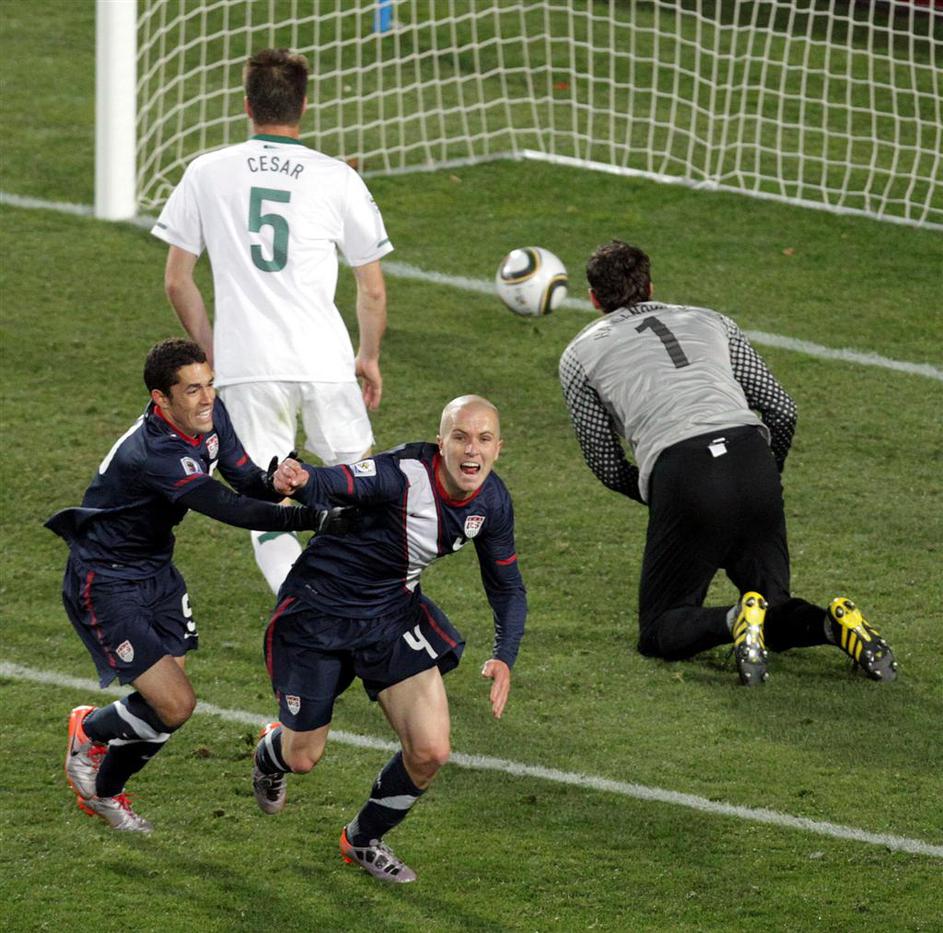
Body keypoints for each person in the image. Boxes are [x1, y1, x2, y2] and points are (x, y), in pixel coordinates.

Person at [558, 239, 897, 687]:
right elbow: (781, 409)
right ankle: (834, 625)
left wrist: (661, 496)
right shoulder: (711, 320)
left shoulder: (578, 356)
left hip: (683, 472)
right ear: (651, 286)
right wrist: (768, 473)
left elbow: (604, 460)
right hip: (751, 458)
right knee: (774, 607)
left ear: (593, 299)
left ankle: (736, 618)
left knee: (658, 630)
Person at [47, 339, 351, 833]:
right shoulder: (155, 453)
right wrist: (311, 517)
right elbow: (229, 508)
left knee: (163, 707)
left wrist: (275, 481)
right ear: (161, 398)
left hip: (157, 571)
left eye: (209, 384)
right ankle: (95, 756)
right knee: (175, 705)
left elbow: (243, 479)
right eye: (192, 390)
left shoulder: (208, 415)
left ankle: (97, 764)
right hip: (106, 580)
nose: (207, 397)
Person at [252, 395, 527, 883]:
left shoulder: (492, 501)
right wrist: (303, 478)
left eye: (484, 439)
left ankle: (362, 839)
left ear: (498, 448)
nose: (472, 450)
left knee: (430, 750)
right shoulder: (403, 473)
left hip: (389, 616)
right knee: (302, 757)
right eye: (461, 437)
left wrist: (504, 655)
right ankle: (270, 752)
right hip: (320, 610)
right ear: (441, 443)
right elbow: (341, 481)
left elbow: (507, 586)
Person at [151, 47, 393, 595]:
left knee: (267, 502)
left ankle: (300, 606)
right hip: (325, 361)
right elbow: (372, 288)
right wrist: (369, 356)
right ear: (304, 105)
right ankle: (364, 603)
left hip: (246, 364)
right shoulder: (337, 178)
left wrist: (213, 352)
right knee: (360, 487)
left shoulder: (207, 172)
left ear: (246, 105)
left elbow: (177, 280)